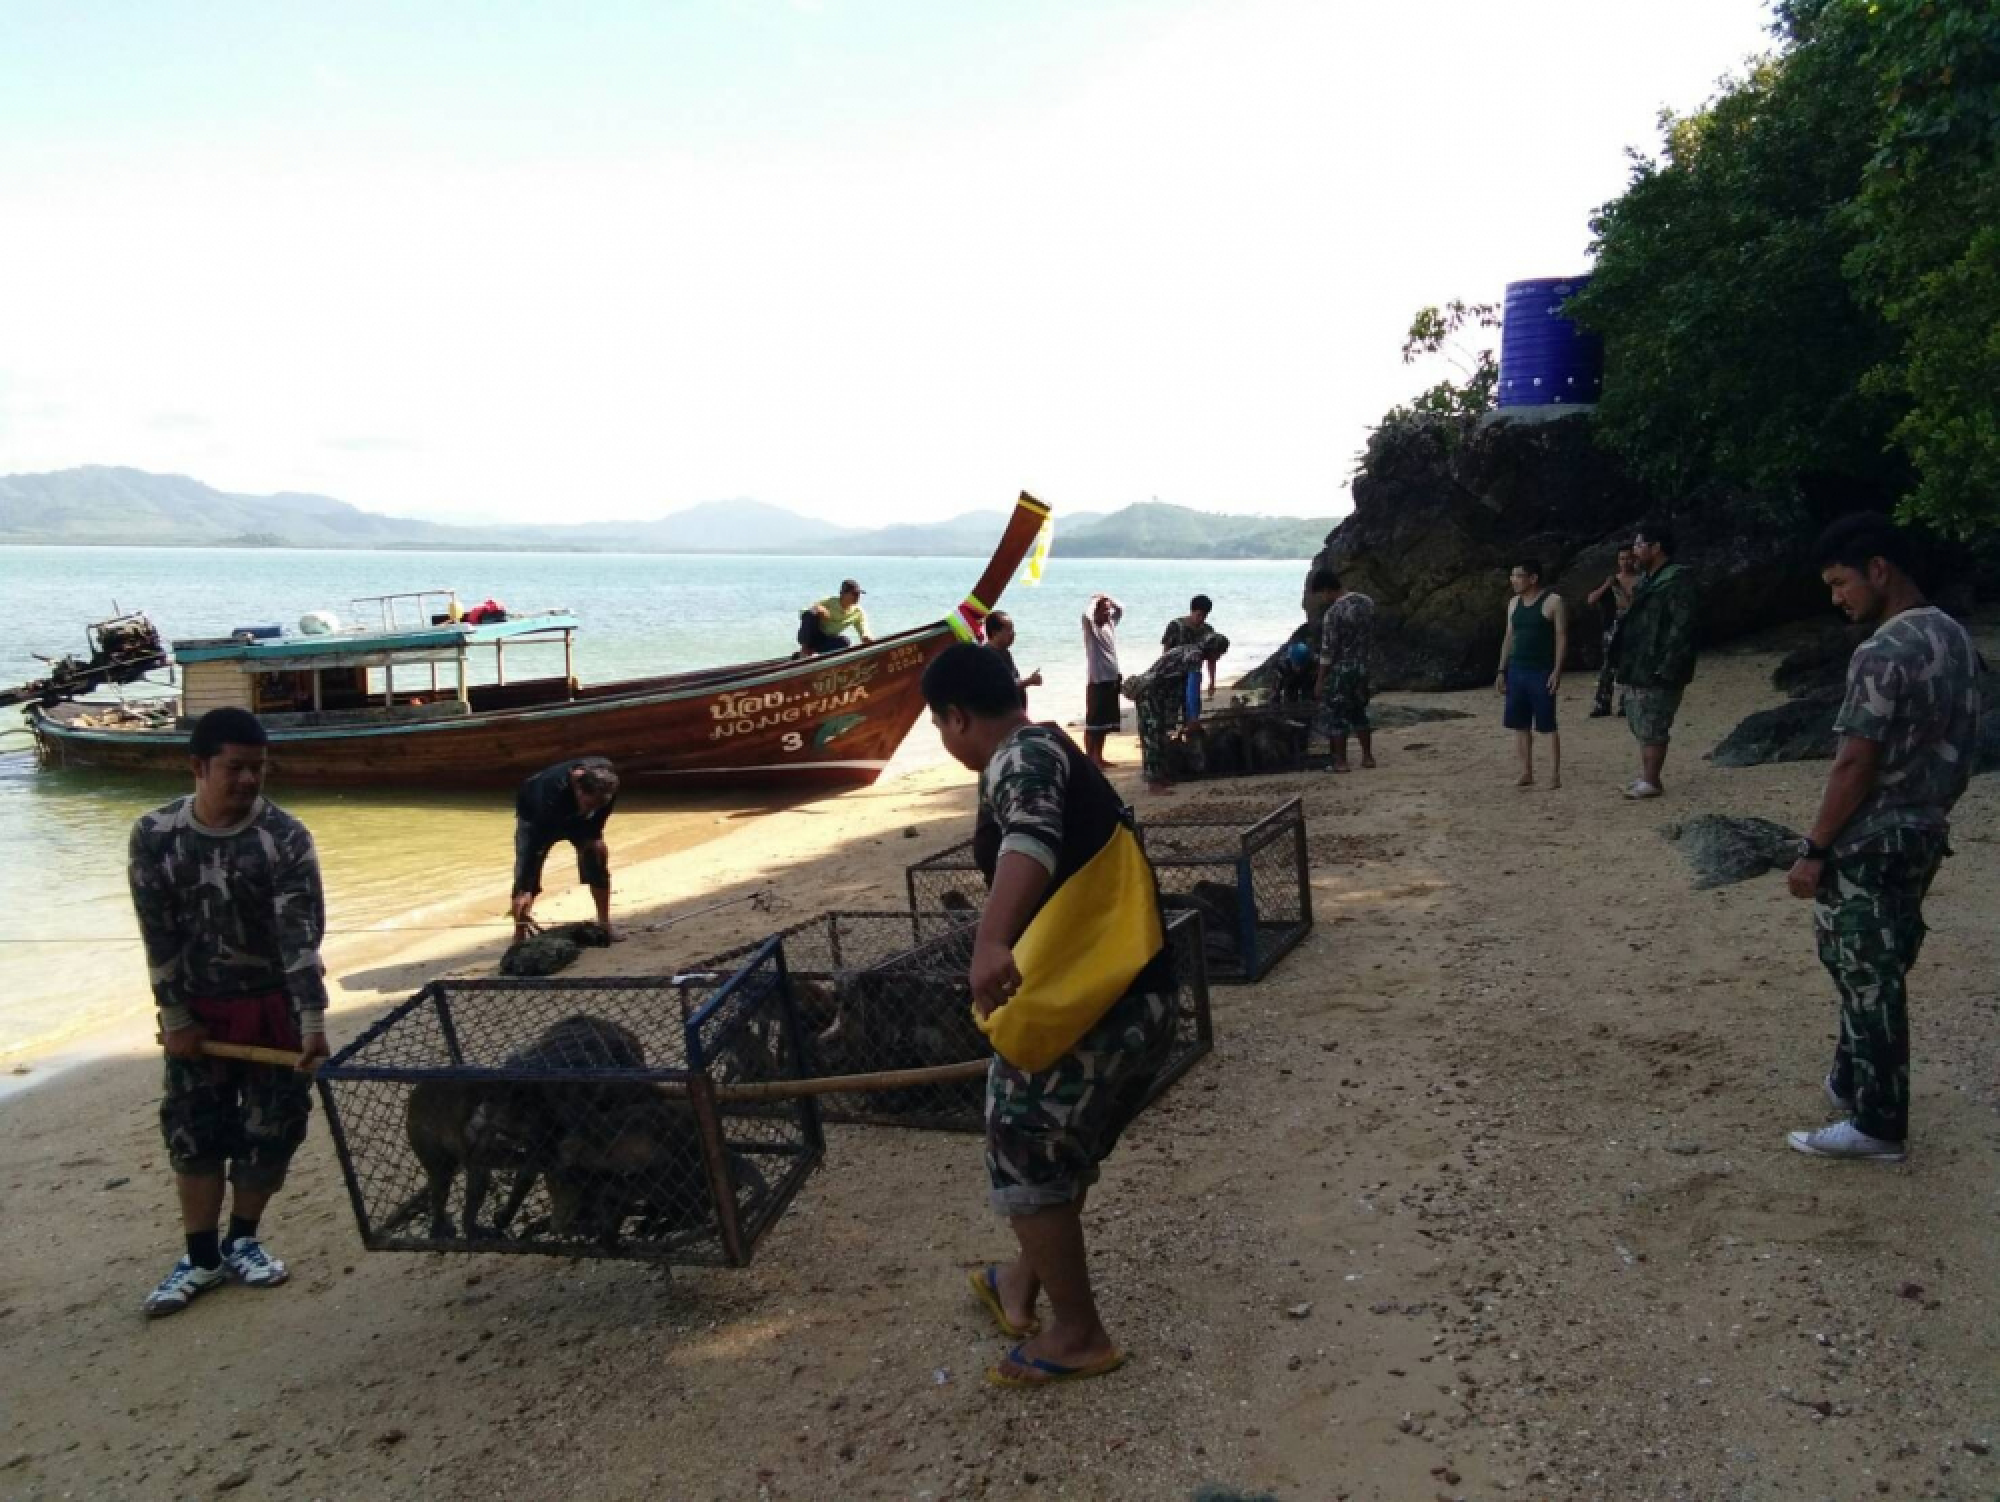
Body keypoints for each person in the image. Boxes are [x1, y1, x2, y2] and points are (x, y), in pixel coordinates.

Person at [921, 643, 1175, 1387]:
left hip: (1101, 1001)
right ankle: (1016, 1283)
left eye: (940, 727)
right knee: (1055, 1149)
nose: (946, 742)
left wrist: (990, 940)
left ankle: (1079, 1336)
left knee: (1023, 1142)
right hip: (1136, 992)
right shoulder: (1052, 742)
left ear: (958, 717)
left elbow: (1030, 836)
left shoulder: (1017, 757)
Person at [1781, 515, 1979, 1163]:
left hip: (1871, 837)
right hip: (1926, 830)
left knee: (1863, 972)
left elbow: (1854, 762)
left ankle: (1878, 1123)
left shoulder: (1881, 651)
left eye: (1840, 583)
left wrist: (1813, 848)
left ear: (1878, 569)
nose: (1837, 599)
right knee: (1879, 962)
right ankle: (1849, 1079)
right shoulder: (1953, 637)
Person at [128, 708, 330, 1317]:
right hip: (198, 1013)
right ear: (198, 766)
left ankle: (242, 1239)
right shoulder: (155, 834)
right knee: (193, 1136)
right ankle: (200, 1258)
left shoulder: (285, 838)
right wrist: (174, 1016)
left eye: (258, 768)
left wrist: (312, 1023)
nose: (248, 780)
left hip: (275, 1009)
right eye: (234, 768)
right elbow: (157, 936)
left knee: (273, 1133)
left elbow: (300, 939)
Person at [1610, 523, 1699, 799]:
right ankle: (1647, 777)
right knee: (1641, 718)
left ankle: (1651, 780)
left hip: (1659, 664)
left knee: (1653, 722)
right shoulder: (1649, 579)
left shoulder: (1676, 580)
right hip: (1640, 663)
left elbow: (1682, 627)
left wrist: (1669, 664)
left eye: (1639, 545)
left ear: (1656, 547)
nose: (1635, 551)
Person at [511, 757, 622, 942]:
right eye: (589, 805)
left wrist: (591, 837)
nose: (591, 810)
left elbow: (597, 820)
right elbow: (535, 845)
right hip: (534, 817)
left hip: (577, 819)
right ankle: (519, 935)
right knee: (526, 881)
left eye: (597, 805)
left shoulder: (606, 784)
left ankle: (605, 924)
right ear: (578, 789)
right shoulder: (550, 793)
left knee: (597, 858)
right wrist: (526, 886)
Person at [1495, 558, 1567, 790]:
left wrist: (1557, 670)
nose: (1513, 580)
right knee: (1519, 723)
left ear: (1533, 578)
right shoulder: (1514, 603)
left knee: (1547, 724)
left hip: (1541, 669)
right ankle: (1526, 771)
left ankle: (1554, 774)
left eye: (1518, 575)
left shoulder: (1553, 601)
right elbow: (1509, 636)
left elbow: (1561, 636)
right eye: (1512, 576)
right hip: (1517, 669)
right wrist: (1501, 669)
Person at [1129, 634, 1230, 795]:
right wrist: (1192, 719)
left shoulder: (1189, 650)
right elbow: (1192, 691)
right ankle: (1153, 783)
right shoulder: (1194, 657)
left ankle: (1160, 776)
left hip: (1158, 693)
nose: (1218, 657)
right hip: (1149, 692)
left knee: (1161, 733)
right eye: (1219, 653)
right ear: (1213, 650)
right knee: (1152, 735)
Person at [1311, 569, 1377, 773]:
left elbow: (1328, 650)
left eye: (1322, 593)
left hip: (1342, 668)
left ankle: (1341, 762)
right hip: (1364, 665)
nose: (1323, 598)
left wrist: (1320, 680)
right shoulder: (1367, 602)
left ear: (1327, 589)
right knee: (1359, 712)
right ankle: (1367, 757)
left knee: (1337, 715)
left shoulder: (1333, 614)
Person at [1586, 547, 1642, 717]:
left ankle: (1626, 704)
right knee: (1607, 665)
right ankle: (1602, 703)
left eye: (1628, 558)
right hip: (1613, 626)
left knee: (1629, 664)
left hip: (1633, 624)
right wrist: (1607, 586)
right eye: (1622, 558)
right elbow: (1591, 599)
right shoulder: (1611, 581)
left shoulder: (1642, 580)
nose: (1625, 562)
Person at [1081, 594, 1125, 768]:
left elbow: (1121, 609)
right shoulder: (1091, 629)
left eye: (1109, 609)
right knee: (1093, 723)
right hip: (1097, 681)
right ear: (1096, 611)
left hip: (1112, 679)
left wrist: (1107, 597)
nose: (1108, 612)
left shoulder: (1110, 625)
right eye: (1104, 609)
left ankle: (1099, 757)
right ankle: (1090, 758)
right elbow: (1085, 615)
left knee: (1105, 723)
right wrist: (1094, 601)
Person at [1162, 595, 1218, 722]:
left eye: (1205, 616)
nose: (1201, 619)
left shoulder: (1208, 630)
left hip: (1194, 676)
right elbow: (1165, 653)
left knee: (1192, 713)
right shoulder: (1175, 626)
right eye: (1199, 615)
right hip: (1174, 676)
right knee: (1171, 714)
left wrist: (1212, 681)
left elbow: (1211, 658)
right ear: (1192, 611)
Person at [797, 579, 873, 657]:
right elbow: (804, 613)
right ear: (843, 594)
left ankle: (815, 655)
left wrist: (866, 637)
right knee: (810, 613)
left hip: (826, 641)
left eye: (858, 594)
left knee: (845, 642)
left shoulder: (858, 612)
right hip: (811, 637)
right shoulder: (829, 602)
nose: (857, 597)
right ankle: (804, 651)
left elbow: (864, 629)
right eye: (854, 594)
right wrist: (820, 610)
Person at [984, 611, 1043, 709]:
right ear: (995, 633)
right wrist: (1029, 681)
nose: (1013, 634)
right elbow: (1002, 688)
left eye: (1013, 629)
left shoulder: (1005, 652)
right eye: (1009, 630)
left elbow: (1013, 680)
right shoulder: (987, 656)